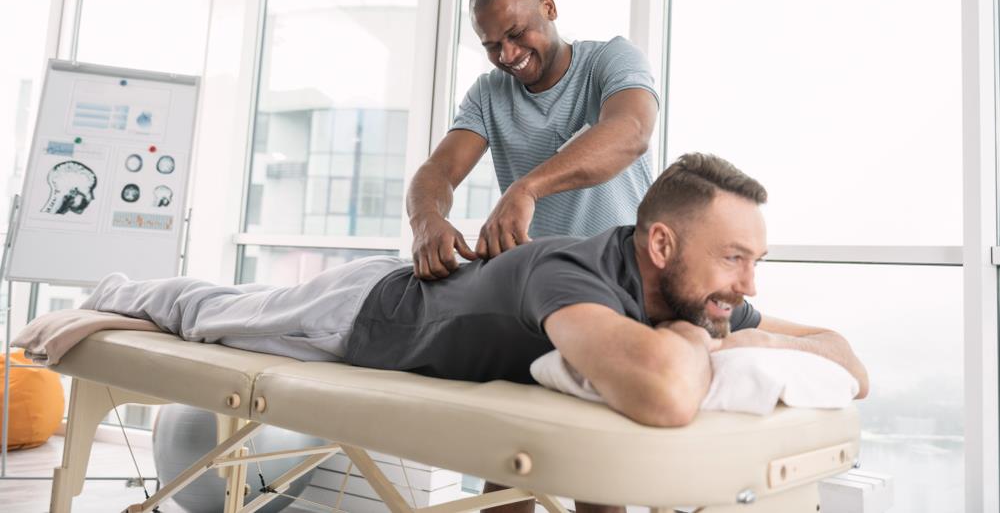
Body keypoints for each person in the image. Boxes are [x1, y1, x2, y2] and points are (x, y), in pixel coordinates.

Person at [80, 154, 868, 513]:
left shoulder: (706, 296)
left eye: (755, 262)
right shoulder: (567, 273)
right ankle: (115, 289)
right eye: (735, 259)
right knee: (209, 312)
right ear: (661, 246)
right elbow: (661, 393)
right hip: (363, 317)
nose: (750, 286)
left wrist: (756, 339)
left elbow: (847, 360)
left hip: (432, 318)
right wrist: (709, 345)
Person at [406, 0, 659, 280]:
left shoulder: (612, 59)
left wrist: (527, 189)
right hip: (547, 284)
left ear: (549, 8)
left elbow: (631, 131)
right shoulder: (488, 94)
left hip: (632, 274)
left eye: (516, 33)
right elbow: (438, 170)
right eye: (493, 46)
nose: (509, 55)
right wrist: (426, 220)